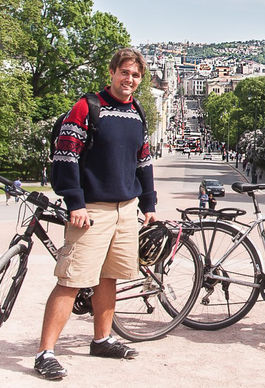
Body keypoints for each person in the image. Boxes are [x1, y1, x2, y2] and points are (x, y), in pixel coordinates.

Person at [38, 48, 157, 380]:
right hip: (91, 209)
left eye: (135, 75)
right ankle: (45, 352)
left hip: (125, 209)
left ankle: (102, 339)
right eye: (124, 73)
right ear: (112, 73)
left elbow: (143, 161)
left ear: (140, 79)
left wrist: (149, 204)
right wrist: (74, 201)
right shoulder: (88, 106)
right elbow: (65, 155)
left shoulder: (137, 112)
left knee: (110, 278)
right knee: (72, 280)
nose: (129, 79)